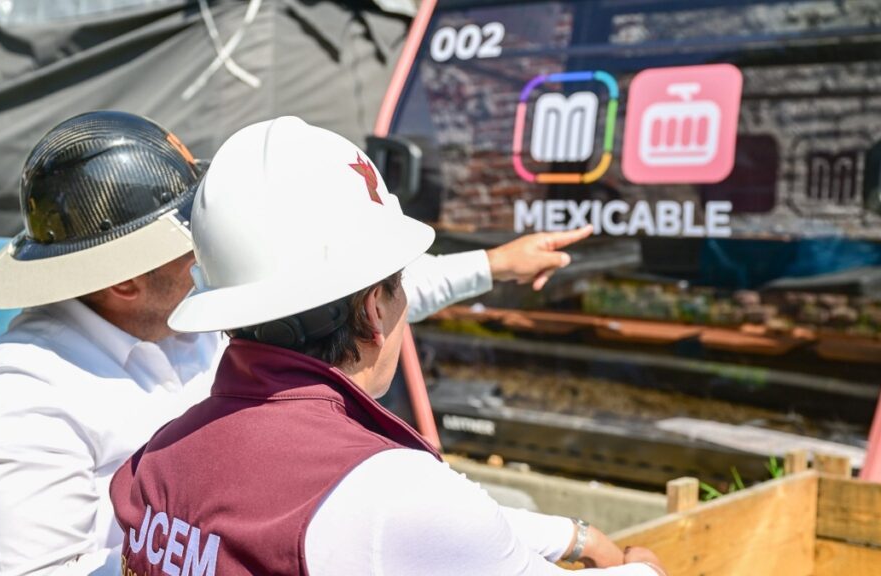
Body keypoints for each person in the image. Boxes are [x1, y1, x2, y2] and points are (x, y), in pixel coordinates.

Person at [0, 111, 594, 575]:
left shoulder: (193, 317)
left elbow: (346, 302)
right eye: (193, 242)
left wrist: (492, 266)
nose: (213, 257)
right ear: (126, 281)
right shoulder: (13, 396)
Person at [110, 116, 666, 576]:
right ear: (376, 309)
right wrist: (644, 566)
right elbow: (416, 521)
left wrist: (572, 536)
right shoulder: (393, 492)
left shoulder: (160, 458)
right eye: (401, 286)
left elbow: (434, 532)